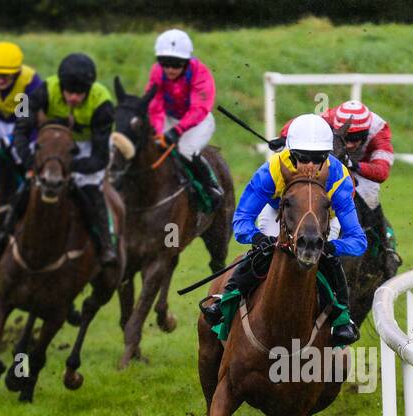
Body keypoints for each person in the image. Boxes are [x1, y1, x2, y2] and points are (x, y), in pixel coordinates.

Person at [200, 114, 365, 346]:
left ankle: (342, 320)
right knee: (262, 255)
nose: (309, 165)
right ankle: (226, 299)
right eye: (302, 157)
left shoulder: (339, 179)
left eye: (317, 158)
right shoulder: (271, 171)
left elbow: (358, 240)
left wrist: (330, 246)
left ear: (327, 156)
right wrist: (257, 238)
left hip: (325, 218)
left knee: (327, 259)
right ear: (290, 154)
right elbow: (242, 219)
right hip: (279, 213)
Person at [9, 53, 117, 264]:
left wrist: (67, 167)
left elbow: (100, 158)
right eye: (70, 92)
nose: (74, 98)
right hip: (51, 144)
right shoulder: (43, 90)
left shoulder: (103, 103)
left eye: (80, 93)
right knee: (25, 180)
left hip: (86, 146)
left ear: (89, 89)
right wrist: (31, 162)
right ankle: (5, 230)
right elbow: (21, 128)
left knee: (90, 186)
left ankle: (106, 244)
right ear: (61, 86)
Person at [144, 28, 223, 209]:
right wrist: (157, 132)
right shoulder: (157, 72)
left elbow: (199, 108)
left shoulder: (200, 73)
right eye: (165, 63)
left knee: (185, 149)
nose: (170, 69)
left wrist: (177, 131)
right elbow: (155, 105)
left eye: (176, 64)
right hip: (169, 118)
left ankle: (210, 186)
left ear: (186, 62)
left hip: (198, 120)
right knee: (150, 145)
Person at [324, 100, 399, 267]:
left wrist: (354, 165)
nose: (349, 144)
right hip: (332, 164)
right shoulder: (328, 118)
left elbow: (381, 171)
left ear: (366, 132)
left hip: (363, 169)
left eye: (355, 138)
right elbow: (299, 123)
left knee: (370, 199)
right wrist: (284, 137)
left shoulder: (379, 130)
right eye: (346, 137)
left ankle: (387, 251)